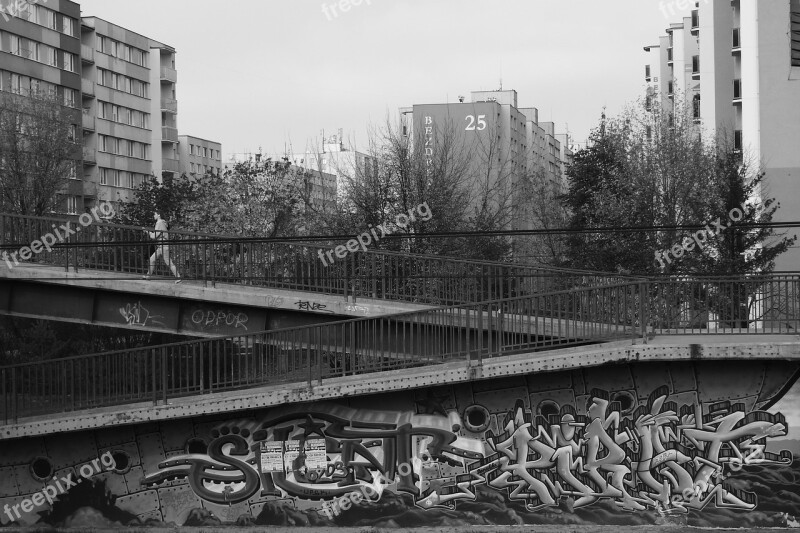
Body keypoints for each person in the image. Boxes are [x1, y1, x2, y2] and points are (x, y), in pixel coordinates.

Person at [142, 212, 181, 283]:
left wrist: (148, 232)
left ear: (159, 215)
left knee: (169, 262)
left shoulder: (159, 223)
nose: (153, 216)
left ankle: (178, 278)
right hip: (161, 246)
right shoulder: (162, 223)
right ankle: (148, 276)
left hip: (163, 246)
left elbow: (154, 236)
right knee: (152, 260)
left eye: (154, 214)